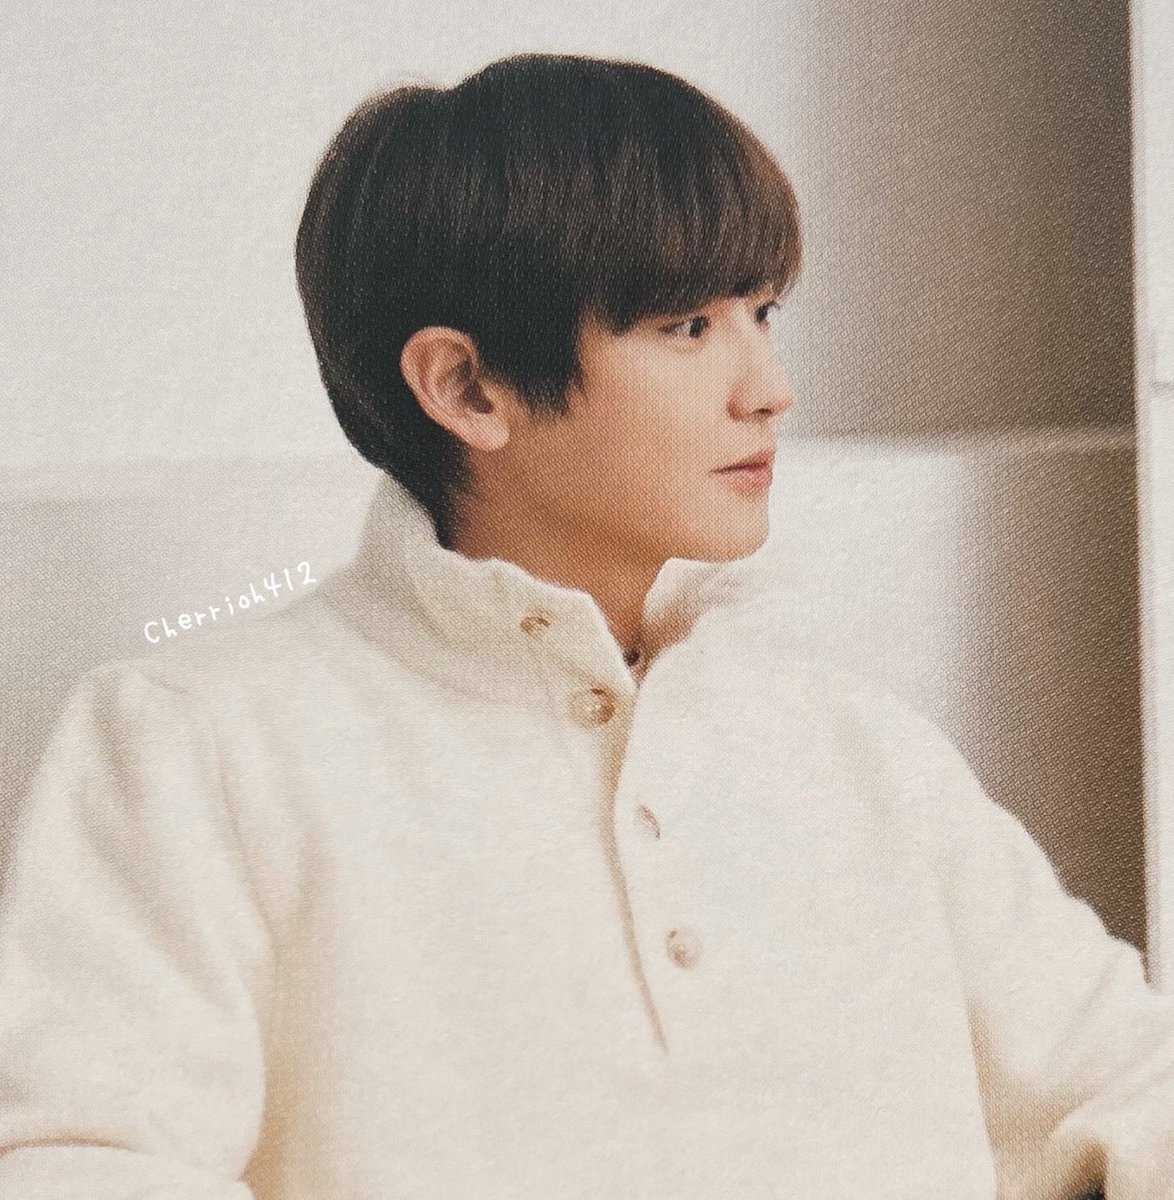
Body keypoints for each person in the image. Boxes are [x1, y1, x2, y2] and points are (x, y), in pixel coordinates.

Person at [0, 51, 1170, 1200]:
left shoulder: (860, 750)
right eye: (687, 327)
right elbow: (84, 1167)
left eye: (762, 311)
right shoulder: (195, 746)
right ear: (466, 387)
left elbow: (1133, 1092)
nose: (768, 387)